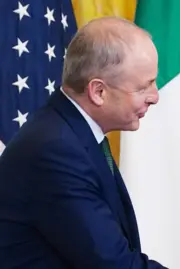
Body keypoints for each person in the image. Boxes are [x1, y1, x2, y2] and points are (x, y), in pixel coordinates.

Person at [0, 17, 167, 269]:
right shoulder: (55, 151)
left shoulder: (73, 133)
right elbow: (113, 263)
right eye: (144, 87)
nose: (154, 97)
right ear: (98, 92)